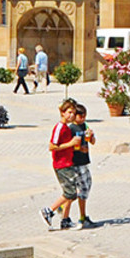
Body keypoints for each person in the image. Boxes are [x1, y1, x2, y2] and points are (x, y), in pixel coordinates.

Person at [40, 99, 81, 230]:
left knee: (71, 192)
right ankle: (49, 210)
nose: (72, 115)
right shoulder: (59, 127)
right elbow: (52, 146)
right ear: (62, 112)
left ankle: (65, 219)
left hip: (68, 162)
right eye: (69, 112)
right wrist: (71, 144)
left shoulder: (67, 128)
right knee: (70, 193)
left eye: (74, 113)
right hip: (61, 164)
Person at [70, 102, 96, 228]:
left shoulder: (84, 126)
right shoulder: (71, 128)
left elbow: (93, 142)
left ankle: (65, 207)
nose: (83, 119)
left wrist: (91, 137)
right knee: (83, 189)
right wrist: (79, 149)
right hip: (76, 162)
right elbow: (69, 146)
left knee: (87, 185)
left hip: (85, 161)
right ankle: (82, 217)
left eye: (84, 116)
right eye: (80, 116)